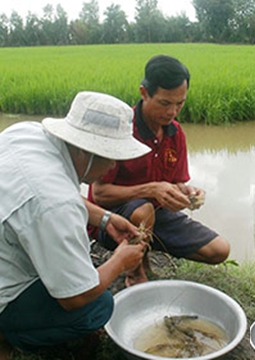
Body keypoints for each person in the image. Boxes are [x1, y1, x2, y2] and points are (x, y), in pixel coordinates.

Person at [0, 91, 151, 358]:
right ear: (85, 150)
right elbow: (74, 298)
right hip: (6, 289)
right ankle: (9, 332)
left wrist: (105, 218)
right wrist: (120, 262)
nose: (114, 164)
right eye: (110, 155)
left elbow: (46, 192)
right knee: (98, 306)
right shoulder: (56, 205)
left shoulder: (27, 134)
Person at [89, 55, 230, 287]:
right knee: (143, 210)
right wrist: (152, 189)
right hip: (112, 221)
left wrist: (186, 193)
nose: (172, 112)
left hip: (156, 216)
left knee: (219, 250)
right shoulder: (122, 130)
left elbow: (175, 183)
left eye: (180, 103)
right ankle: (135, 271)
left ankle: (151, 242)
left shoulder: (176, 133)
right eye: (165, 103)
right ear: (144, 93)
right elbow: (100, 194)